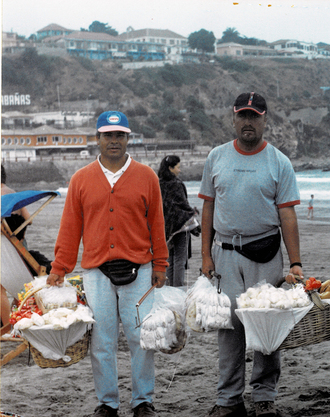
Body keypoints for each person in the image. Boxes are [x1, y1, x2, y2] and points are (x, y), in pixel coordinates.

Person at [46, 111, 169, 417]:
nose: (114, 141)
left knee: (141, 338)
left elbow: (157, 223)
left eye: (120, 135)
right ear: (97, 139)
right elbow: (71, 226)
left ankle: (143, 401)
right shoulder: (81, 179)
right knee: (102, 342)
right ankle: (108, 403)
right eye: (108, 135)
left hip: (139, 269)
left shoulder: (147, 177)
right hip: (96, 272)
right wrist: (60, 266)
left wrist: (161, 264)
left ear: (128, 138)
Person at [199, 92, 303, 417]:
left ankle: (264, 396)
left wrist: (296, 261)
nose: (248, 122)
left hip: (266, 252)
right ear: (233, 119)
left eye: (254, 116)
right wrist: (205, 255)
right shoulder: (216, 157)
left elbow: (287, 215)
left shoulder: (279, 162)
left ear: (264, 119)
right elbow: (208, 207)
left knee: (266, 326)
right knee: (229, 328)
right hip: (225, 253)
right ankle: (229, 399)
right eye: (243, 115)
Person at [158, 155, 200, 287]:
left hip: (166, 228)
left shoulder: (159, 183)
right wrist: (193, 213)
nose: (180, 170)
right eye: (178, 167)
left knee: (170, 258)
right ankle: (179, 288)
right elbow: (183, 205)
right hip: (180, 227)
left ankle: (170, 288)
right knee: (180, 259)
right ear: (170, 168)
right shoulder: (177, 184)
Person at [1, 164, 32, 326]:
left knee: (0, 290)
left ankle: (7, 327)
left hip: (4, 250)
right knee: (21, 288)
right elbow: (29, 218)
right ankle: (18, 321)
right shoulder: (13, 194)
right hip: (20, 248)